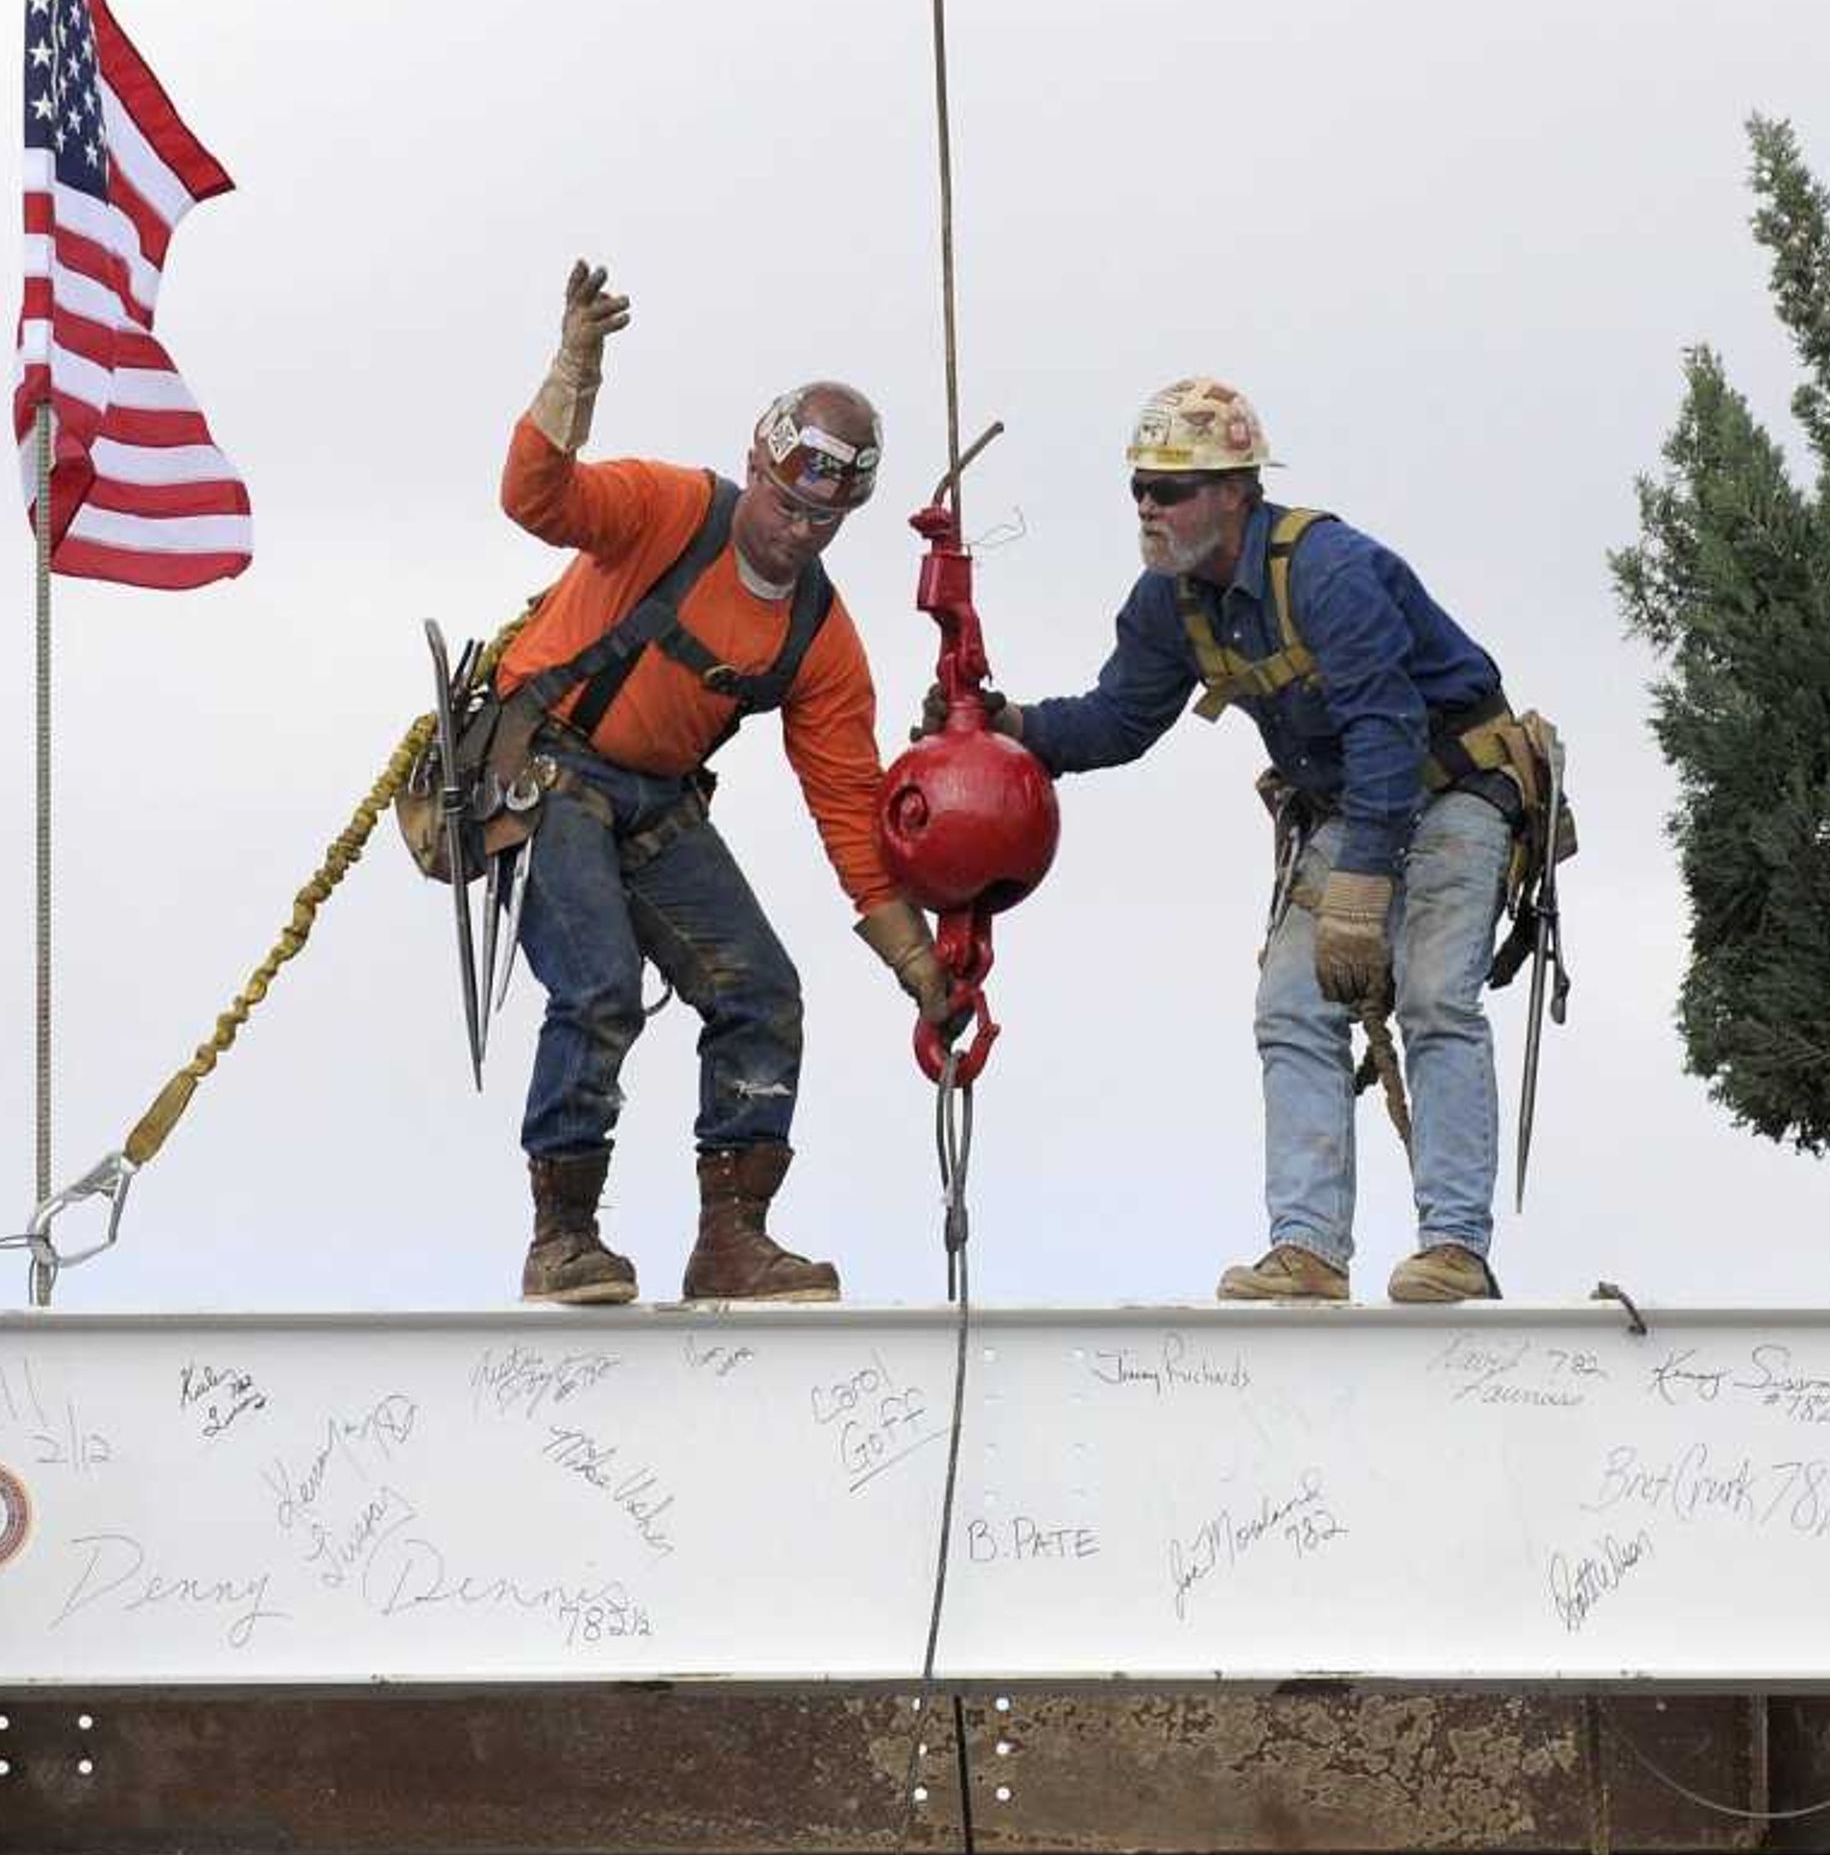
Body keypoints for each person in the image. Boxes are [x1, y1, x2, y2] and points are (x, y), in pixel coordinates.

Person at [958, 378, 1525, 1304]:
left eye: (1171, 489)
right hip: (1349, 803)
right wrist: (1010, 724)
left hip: (1451, 784)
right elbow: (1120, 718)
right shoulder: (1170, 602)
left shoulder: (1327, 571)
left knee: (1434, 997)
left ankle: (1454, 1247)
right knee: (1292, 1008)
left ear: (1235, 490)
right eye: (1140, 486)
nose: (1149, 506)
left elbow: (1386, 723)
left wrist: (1361, 887)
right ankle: (1306, 1250)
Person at [489, 258, 958, 1304]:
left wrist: (918, 961)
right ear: (760, 466)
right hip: (547, 766)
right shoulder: (668, 508)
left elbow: (847, 802)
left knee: (760, 988)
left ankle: (732, 1239)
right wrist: (576, 365)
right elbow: (538, 497)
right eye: (789, 501)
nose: (798, 528)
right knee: (599, 983)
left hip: (651, 801)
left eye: (823, 518)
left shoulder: (818, 636)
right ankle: (562, 1235)